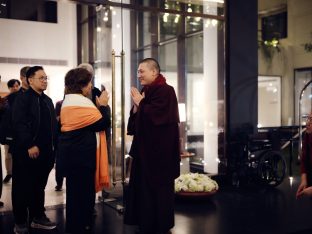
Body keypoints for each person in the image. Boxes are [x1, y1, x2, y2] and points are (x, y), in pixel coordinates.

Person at [124, 58, 180, 234]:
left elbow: (159, 116)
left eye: (142, 71)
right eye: (138, 71)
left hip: (160, 153)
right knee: (142, 188)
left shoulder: (166, 91)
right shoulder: (145, 91)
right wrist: (135, 109)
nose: (138, 74)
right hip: (144, 151)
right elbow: (138, 120)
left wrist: (141, 104)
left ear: (154, 72)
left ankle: (160, 224)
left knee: (159, 189)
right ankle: (144, 221)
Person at [58, 67, 110, 233]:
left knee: (75, 195)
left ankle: (76, 225)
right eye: (89, 84)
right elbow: (102, 123)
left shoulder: (70, 100)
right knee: (84, 196)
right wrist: (103, 105)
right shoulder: (78, 102)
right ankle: (82, 226)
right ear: (81, 85)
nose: (90, 87)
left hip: (73, 155)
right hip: (81, 157)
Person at [11, 66, 58, 234]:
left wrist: (54, 150)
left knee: (39, 187)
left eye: (46, 78)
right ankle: (20, 221)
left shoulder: (47, 100)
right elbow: (19, 123)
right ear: (30, 80)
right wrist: (29, 144)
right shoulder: (22, 99)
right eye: (41, 78)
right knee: (22, 188)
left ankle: (38, 217)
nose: (45, 81)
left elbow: (52, 127)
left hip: (45, 154)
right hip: (26, 152)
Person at [2, 79, 21, 184]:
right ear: (9, 88)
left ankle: (18, 173)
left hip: (19, 133)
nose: (15, 88)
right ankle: (9, 173)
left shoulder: (22, 99)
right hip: (8, 132)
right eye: (13, 86)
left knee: (19, 154)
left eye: (17, 86)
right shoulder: (5, 100)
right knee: (8, 155)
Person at [297, 113, 312, 198]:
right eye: (308, 119)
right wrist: (303, 179)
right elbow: (304, 158)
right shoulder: (308, 135)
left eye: (311, 120)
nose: (307, 123)